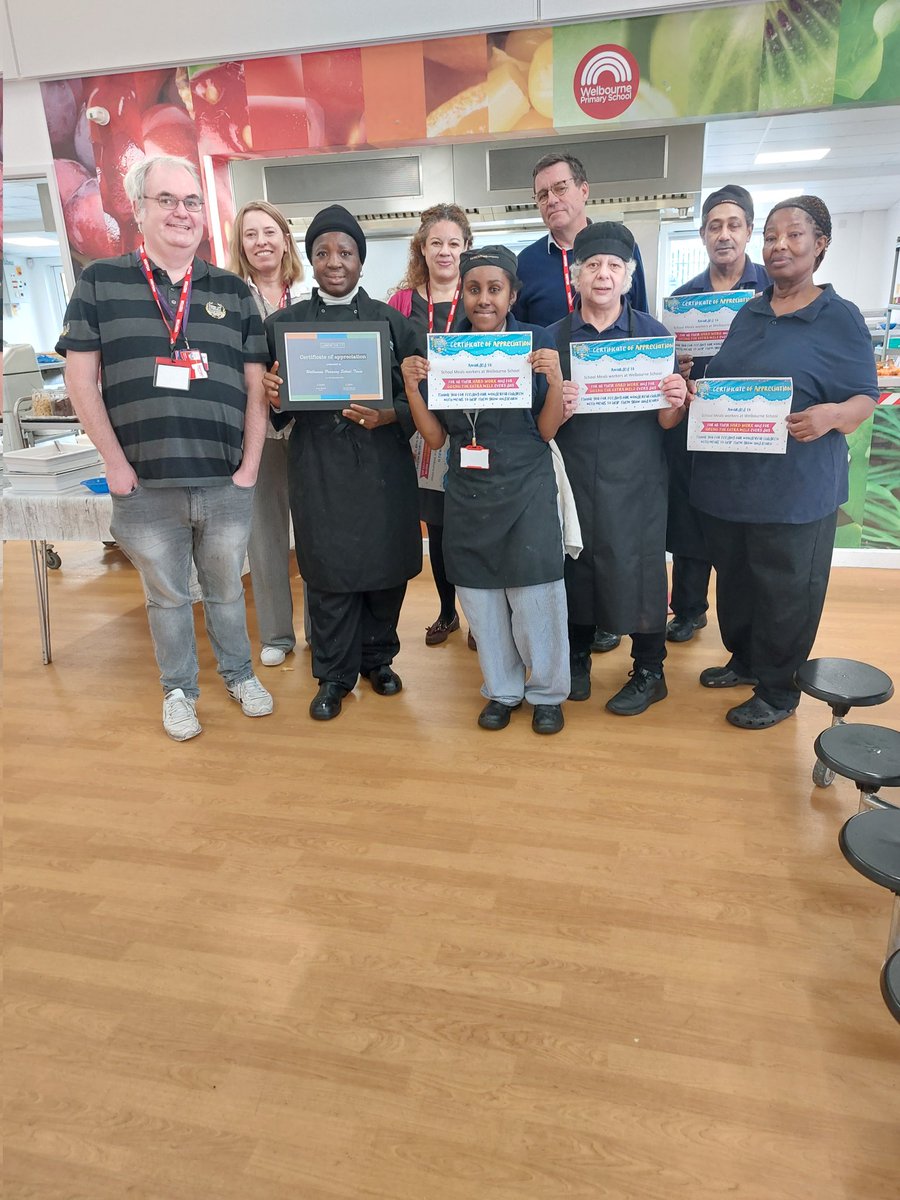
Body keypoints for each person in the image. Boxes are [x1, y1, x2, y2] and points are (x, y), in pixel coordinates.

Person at [57, 154, 274, 741]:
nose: (182, 212)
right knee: (168, 598)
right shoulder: (99, 283)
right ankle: (179, 691)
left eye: (192, 201)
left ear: (205, 214)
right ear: (139, 208)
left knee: (228, 590)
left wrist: (250, 467)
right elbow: (81, 382)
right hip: (145, 486)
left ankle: (239, 673)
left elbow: (257, 388)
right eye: (167, 200)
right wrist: (115, 466)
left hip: (225, 481)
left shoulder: (233, 291)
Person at [691, 195, 879, 729]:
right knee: (738, 581)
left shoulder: (837, 317)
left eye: (794, 235)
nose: (779, 246)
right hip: (733, 483)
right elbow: (731, 381)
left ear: (820, 245)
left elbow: (864, 396)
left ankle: (778, 691)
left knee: (786, 589)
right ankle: (746, 661)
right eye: (771, 235)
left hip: (797, 488)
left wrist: (831, 416)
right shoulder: (748, 312)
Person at [401, 246, 569, 734]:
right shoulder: (447, 351)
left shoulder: (534, 343)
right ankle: (502, 690)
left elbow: (547, 430)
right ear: (462, 293)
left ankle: (547, 692)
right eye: (473, 289)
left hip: (526, 486)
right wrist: (413, 387)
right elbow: (434, 438)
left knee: (537, 593)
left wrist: (555, 379)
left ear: (512, 294)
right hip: (469, 490)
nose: (483, 299)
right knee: (480, 597)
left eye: (494, 289)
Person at [263, 204, 421, 722]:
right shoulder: (282, 327)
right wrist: (275, 396)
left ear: (361, 260)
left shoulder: (394, 323)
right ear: (309, 258)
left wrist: (390, 415)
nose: (335, 261)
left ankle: (379, 660)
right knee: (328, 575)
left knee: (384, 573)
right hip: (320, 472)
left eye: (346, 252)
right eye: (324, 252)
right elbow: (277, 412)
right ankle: (333, 675)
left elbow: (423, 400)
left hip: (382, 472)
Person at [514, 150, 650, 655]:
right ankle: (574, 636)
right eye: (542, 193)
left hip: (623, 432)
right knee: (572, 536)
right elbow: (519, 343)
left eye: (560, 188)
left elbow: (642, 338)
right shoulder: (529, 264)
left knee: (621, 540)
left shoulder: (625, 258)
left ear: (583, 190)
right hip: (562, 422)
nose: (552, 200)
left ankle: (623, 634)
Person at [550, 221, 687, 716]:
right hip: (574, 477)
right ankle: (578, 657)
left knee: (640, 567)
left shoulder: (653, 336)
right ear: (577, 276)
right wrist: (556, 408)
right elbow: (539, 424)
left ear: (628, 277)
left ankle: (650, 670)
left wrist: (676, 401)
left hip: (638, 478)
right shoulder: (552, 340)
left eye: (613, 266)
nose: (602, 276)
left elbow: (667, 420)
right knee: (577, 566)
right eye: (592, 266)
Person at [665, 184, 770, 644]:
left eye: (733, 225)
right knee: (690, 521)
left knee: (744, 529)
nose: (723, 235)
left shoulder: (773, 288)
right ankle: (688, 610)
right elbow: (668, 368)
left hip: (753, 428)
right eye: (714, 226)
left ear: (749, 231)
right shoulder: (684, 301)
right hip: (696, 427)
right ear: (703, 235)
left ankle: (745, 627)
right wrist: (679, 367)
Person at [388, 204, 473, 647]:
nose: (445, 252)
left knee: (474, 521)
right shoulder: (402, 302)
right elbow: (387, 365)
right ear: (421, 248)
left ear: (466, 248)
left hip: (474, 427)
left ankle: (480, 616)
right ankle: (446, 611)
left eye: (453, 243)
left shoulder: (479, 293)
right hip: (424, 433)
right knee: (438, 527)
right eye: (435, 243)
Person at [228, 200, 308, 668]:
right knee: (266, 538)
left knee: (316, 535)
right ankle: (277, 634)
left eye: (269, 232)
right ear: (241, 244)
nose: (261, 241)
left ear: (284, 239)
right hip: (257, 436)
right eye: (251, 234)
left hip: (311, 432)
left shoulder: (312, 292)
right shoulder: (229, 300)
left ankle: (324, 628)